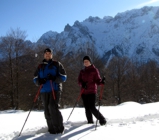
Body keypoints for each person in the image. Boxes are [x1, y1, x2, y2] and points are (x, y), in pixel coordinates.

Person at [33, 48, 67, 134]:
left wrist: (55, 78)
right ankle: (51, 129)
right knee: (47, 110)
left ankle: (59, 128)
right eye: (46, 53)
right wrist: (39, 81)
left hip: (54, 89)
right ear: (44, 55)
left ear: (52, 55)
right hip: (44, 90)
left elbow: (64, 77)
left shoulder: (57, 64)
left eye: (49, 53)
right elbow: (35, 78)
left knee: (52, 107)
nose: (47, 55)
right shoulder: (40, 66)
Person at [78, 55, 106, 125]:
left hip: (92, 91)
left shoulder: (94, 70)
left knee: (92, 107)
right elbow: (79, 81)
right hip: (84, 92)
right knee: (87, 108)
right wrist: (82, 84)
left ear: (90, 62)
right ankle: (90, 122)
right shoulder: (82, 71)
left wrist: (101, 82)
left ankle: (102, 119)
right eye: (84, 62)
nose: (86, 63)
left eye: (87, 61)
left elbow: (97, 80)